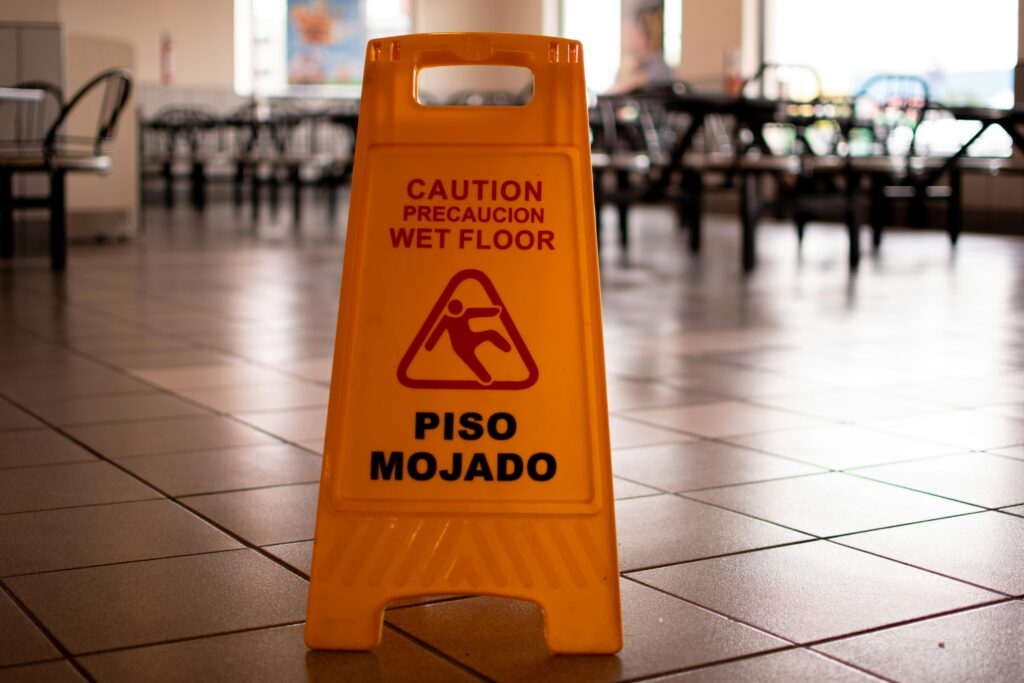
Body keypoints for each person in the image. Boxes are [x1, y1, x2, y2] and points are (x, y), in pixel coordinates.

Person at [425, 299, 511, 384]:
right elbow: (435, 335)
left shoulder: (465, 313)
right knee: (474, 364)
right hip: (460, 347)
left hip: (471, 339)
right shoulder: (446, 320)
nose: (457, 309)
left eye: (458, 306)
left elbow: (480, 312)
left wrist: (496, 311)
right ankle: (486, 379)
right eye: (455, 307)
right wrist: (429, 346)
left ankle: (508, 349)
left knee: (490, 333)